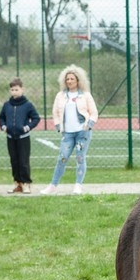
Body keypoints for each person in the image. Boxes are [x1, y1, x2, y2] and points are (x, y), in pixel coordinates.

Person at [41, 65, 98, 195]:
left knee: (80, 158)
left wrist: (89, 124)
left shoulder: (85, 95)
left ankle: (78, 185)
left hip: (82, 132)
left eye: (72, 79)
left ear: (78, 80)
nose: (69, 81)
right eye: (67, 79)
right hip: (67, 133)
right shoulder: (60, 96)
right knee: (62, 158)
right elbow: (55, 112)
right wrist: (58, 126)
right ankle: (53, 185)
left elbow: (94, 112)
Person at [0, 77, 40, 193]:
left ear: (22, 90)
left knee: (23, 161)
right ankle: (18, 184)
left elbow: (36, 118)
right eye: (12, 90)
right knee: (14, 161)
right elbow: (1, 117)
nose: (14, 92)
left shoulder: (27, 105)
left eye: (16, 89)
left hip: (23, 138)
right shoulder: (7, 105)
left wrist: (27, 127)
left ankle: (26, 183)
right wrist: (3, 126)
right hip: (11, 138)